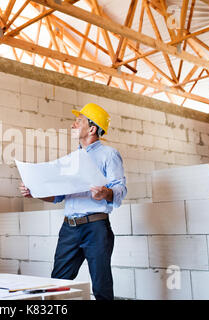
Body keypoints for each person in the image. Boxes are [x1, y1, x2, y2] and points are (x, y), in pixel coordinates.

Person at [19, 102, 127, 300]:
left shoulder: (109, 155)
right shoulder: (72, 158)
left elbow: (120, 188)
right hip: (69, 229)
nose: (73, 125)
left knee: (101, 286)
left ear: (92, 128)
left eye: (79, 121)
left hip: (95, 228)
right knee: (57, 283)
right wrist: (34, 192)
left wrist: (106, 193)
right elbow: (58, 195)